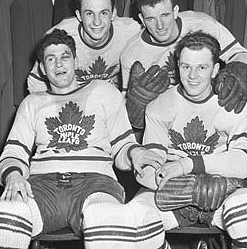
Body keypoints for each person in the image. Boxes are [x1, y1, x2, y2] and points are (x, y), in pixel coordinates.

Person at [0, 29, 170, 249]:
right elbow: (14, 152)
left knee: (103, 217)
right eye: (51, 59)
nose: (59, 64)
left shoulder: (104, 91)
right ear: (42, 68)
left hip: (95, 181)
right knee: (7, 215)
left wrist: (134, 152)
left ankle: (141, 230)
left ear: (75, 60)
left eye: (64, 57)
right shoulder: (32, 103)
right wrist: (13, 175)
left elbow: (122, 146)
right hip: (43, 185)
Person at [131, 30, 247, 249]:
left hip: (223, 190)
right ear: (177, 66)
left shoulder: (232, 101)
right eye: (186, 66)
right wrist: (190, 186)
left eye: (202, 67)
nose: (193, 76)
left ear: (215, 69)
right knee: (131, 222)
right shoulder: (160, 104)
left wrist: (188, 165)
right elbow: (146, 168)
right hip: (171, 194)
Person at [121, 0, 247, 131]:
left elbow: (241, 54)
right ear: (141, 18)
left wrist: (238, 73)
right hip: (165, 120)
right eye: (151, 19)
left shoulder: (202, 24)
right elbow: (128, 118)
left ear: (176, 11)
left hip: (206, 110)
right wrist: (137, 106)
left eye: (165, 15)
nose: (160, 25)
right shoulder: (131, 53)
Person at [27, 0, 141, 92]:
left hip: (108, 98)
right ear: (79, 15)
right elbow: (36, 81)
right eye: (89, 14)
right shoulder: (60, 37)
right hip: (70, 97)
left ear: (113, 14)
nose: (97, 22)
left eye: (104, 13)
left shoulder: (130, 31)